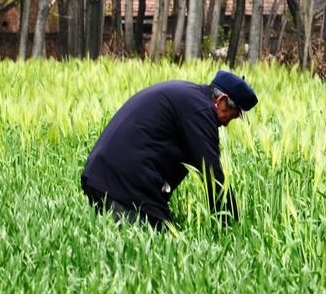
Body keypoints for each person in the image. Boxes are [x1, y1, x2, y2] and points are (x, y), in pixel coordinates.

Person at [81, 70, 258, 230]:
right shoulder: (201, 111)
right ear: (221, 100)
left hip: (100, 176)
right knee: (162, 250)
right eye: (232, 115)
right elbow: (212, 173)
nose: (227, 123)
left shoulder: (189, 97)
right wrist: (232, 226)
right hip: (124, 187)